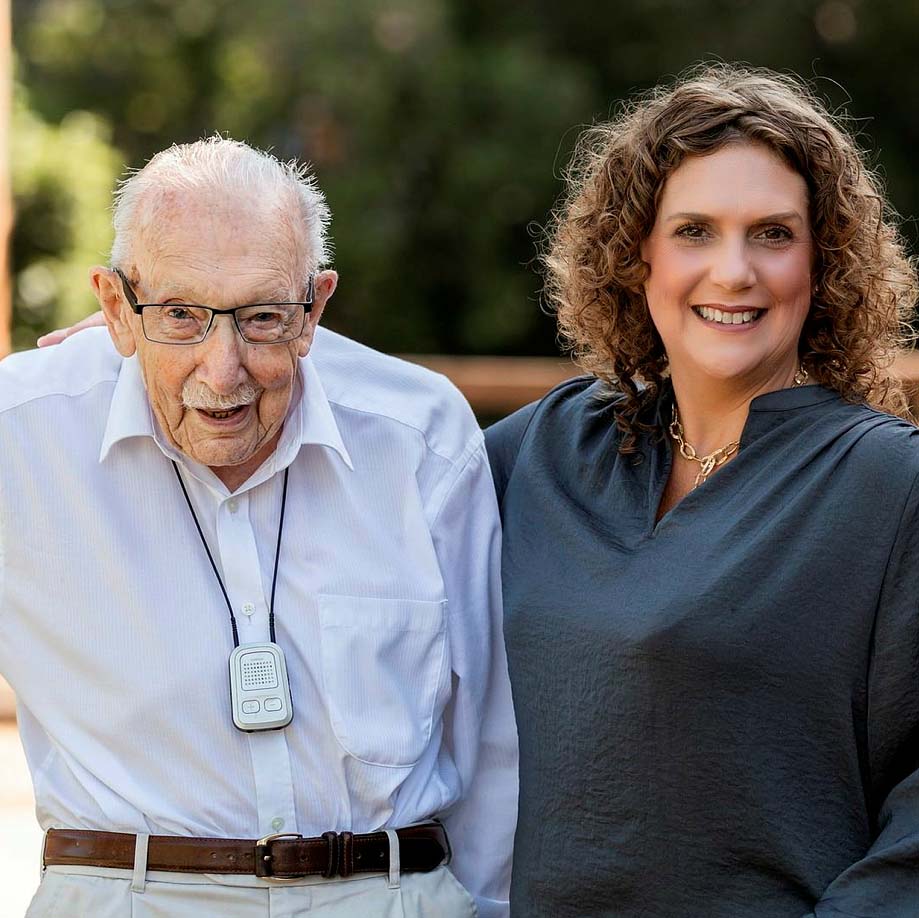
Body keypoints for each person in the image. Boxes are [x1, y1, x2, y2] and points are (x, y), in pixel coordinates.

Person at [0, 136, 517, 917]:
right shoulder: (22, 433)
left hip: (389, 895)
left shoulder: (417, 433)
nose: (223, 368)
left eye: (261, 317)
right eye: (180, 314)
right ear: (114, 306)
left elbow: (490, 744)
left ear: (314, 308)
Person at [486, 64, 919, 917]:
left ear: (822, 260)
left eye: (771, 234)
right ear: (635, 252)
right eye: (693, 230)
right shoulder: (545, 450)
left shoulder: (889, 486)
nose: (733, 271)